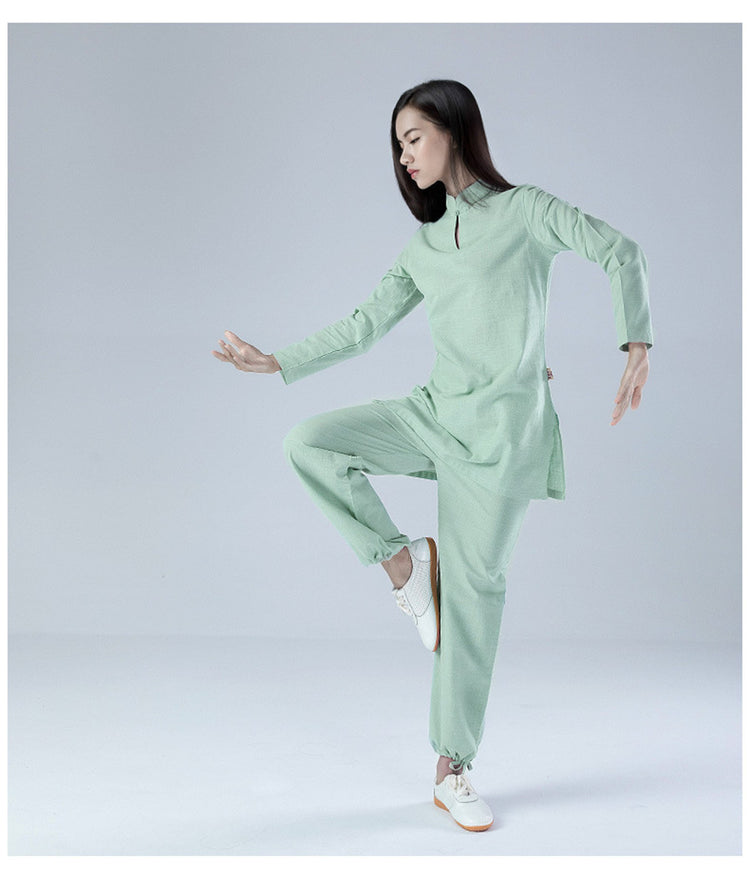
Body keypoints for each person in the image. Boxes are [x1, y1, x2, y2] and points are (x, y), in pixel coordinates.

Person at [211, 78, 653, 832]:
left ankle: (453, 769)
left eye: (413, 137)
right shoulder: (424, 245)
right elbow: (362, 326)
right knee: (309, 443)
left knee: (473, 601)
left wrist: (635, 341)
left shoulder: (524, 212)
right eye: (397, 146)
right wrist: (277, 361)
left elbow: (619, 249)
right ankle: (404, 563)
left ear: (454, 130)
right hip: (432, 414)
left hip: (501, 438)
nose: (404, 156)